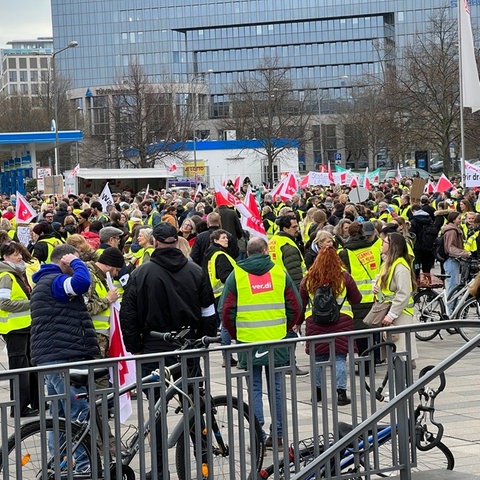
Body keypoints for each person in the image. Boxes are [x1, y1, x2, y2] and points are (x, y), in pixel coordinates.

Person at [120, 222, 217, 480]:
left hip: (153, 348)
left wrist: (135, 348)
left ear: (154, 243)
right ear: (176, 241)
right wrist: (204, 339)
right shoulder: (195, 271)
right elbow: (208, 310)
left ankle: (161, 469)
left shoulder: (141, 273)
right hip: (188, 346)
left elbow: (128, 315)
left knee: (156, 411)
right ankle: (203, 461)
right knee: (194, 404)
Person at [219, 237, 302, 448]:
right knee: (276, 388)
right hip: (276, 338)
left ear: (247, 252)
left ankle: (258, 435)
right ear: (265, 251)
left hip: (248, 340)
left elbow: (226, 310)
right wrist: (284, 326)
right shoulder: (279, 272)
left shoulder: (236, 275)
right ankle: (279, 436)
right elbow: (295, 304)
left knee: (254, 388)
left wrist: (236, 333)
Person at [30, 244, 99, 475]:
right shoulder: (56, 281)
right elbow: (82, 283)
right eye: (73, 263)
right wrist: (76, 263)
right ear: (64, 262)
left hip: (53, 357)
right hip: (63, 358)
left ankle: (56, 464)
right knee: (77, 412)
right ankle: (84, 466)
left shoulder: (46, 281)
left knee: (58, 414)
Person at [298, 241, 361, 405]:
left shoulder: (309, 278)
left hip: (315, 322)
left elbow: (301, 303)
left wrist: (298, 322)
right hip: (341, 321)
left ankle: (318, 394)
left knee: (318, 359)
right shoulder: (343, 276)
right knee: (339, 357)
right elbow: (357, 298)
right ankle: (340, 394)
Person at [0, 241, 39, 417]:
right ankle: (20, 408)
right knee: (19, 368)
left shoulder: (18, 273)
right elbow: (4, 303)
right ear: (5, 257)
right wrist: (30, 303)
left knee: (28, 366)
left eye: (20, 253)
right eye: (16, 254)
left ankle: (30, 403)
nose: (20, 257)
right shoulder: (6, 276)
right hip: (14, 329)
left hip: (25, 326)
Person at [373, 232, 418, 362]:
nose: (381, 244)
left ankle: (404, 376)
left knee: (401, 350)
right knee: (395, 350)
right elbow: (380, 280)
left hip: (400, 313)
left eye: (384, 242)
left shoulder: (400, 266)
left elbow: (403, 293)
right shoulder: (388, 263)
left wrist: (391, 314)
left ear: (392, 246)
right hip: (391, 310)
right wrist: (375, 287)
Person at [203, 229, 237, 367]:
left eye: (227, 237)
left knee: (225, 325)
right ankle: (227, 356)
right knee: (227, 326)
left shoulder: (212, 254)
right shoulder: (220, 255)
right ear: (215, 240)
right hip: (225, 294)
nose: (226, 240)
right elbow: (225, 276)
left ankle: (227, 355)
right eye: (223, 238)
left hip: (216, 294)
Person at [442, 211, 472, 303]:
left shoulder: (454, 229)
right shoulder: (452, 231)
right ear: (453, 220)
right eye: (459, 218)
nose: (460, 220)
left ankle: (452, 308)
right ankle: (450, 310)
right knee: (452, 285)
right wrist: (464, 253)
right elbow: (450, 248)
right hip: (451, 260)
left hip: (453, 260)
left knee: (454, 285)